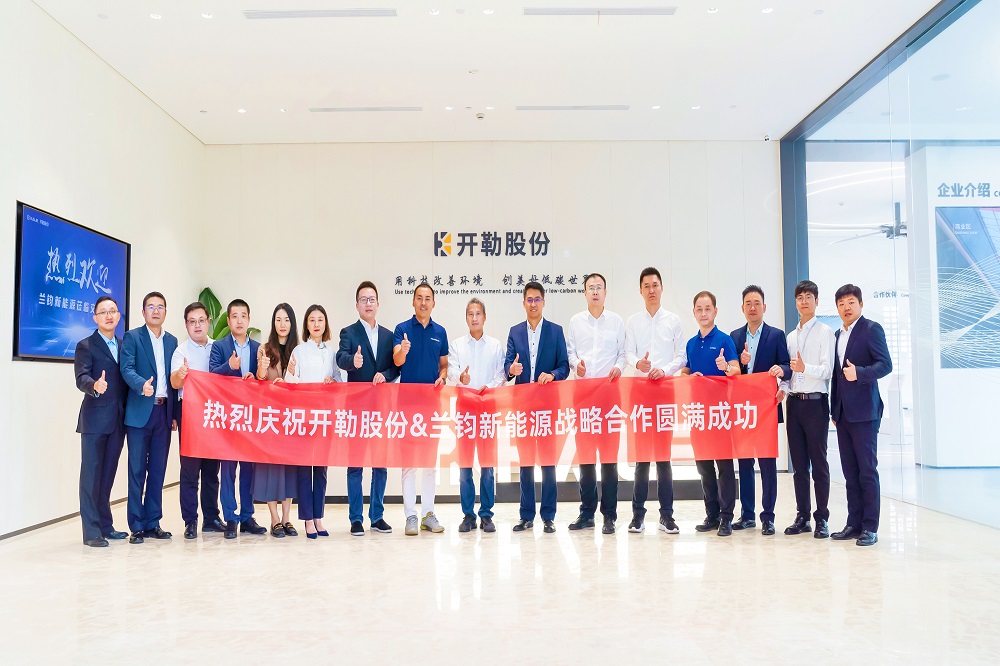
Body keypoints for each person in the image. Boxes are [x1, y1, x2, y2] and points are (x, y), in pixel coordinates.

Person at [504, 281, 570, 534]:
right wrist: (512, 369)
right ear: (524, 303)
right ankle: (526, 515)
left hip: (547, 408)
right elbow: (507, 366)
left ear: (544, 302)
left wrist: (552, 375)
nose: (533, 304)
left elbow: (564, 366)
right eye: (529, 300)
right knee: (526, 464)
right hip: (522, 407)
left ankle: (548, 516)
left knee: (548, 463)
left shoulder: (555, 331)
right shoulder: (515, 332)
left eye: (537, 299)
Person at [624, 267, 686, 535]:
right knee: (641, 458)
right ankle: (637, 515)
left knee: (663, 457)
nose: (651, 290)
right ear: (640, 291)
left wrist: (665, 369)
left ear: (662, 288)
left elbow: (682, 356)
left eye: (655, 285)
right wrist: (638, 362)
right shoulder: (633, 321)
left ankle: (667, 515)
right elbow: (627, 352)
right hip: (639, 393)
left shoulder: (674, 320)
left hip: (664, 391)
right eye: (646, 286)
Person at [829, 284, 892, 547]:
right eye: (841, 303)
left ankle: (870, 527)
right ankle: (853, 524)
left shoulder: (871, 329)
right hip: (843, 414)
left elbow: (885, 364)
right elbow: (836, 375)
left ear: (861, 304)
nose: (846, 307)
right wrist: (834, 409)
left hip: (865, 413)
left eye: (851, 302)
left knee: (867, 471)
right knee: (850, 472)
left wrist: (861, 373)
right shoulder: (837, 334)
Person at [336, 282, 399, 537]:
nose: (368, 303)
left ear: (378, 304)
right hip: (357, 409)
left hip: (381, 408)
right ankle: (355, 519)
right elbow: (340, 358)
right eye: (363, 299)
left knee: (380, 465)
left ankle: (377, 516)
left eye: (372, 299)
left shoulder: (388, 335)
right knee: (355, 465)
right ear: (357, 305)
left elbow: (396, 367)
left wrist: (386, 375)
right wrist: (353, 361)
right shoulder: (348, 333)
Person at [566, 273, 626, 534]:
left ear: (605, 292)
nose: (594, 291)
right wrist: (575, 365)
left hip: (609, 396)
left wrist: (618, 367)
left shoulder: (616, 321)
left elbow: (623, 354)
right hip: (583, 396)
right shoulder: (575, 322)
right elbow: (570, 352)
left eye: (599, 287)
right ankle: (587, 513)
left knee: (609, 459)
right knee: (586, 458)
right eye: (590, 288)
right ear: (584, 293)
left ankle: (609, 515)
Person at [729, 285, 790, 536]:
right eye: (748, 303)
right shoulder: (735, 336)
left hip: (765, 410)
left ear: (764, 307)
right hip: (743, 410)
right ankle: (747, 515)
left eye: (757, 303)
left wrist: (780, 370)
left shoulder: (776, 335)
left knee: (767, 464)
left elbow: (787, 365)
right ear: (742, 308)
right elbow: (731, 370)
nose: (752, 307)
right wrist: (741, 364)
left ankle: (768, 517)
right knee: (744, 464)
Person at [120, 291, 178, 544]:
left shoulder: (172, 341)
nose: (156, 311)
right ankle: (136, 525)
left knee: (157, 470)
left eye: (160, 307)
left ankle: (153, 522)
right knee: (136, 470)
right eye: (151, 307)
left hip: (163, 412)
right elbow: (126, 369)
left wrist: (174, 414)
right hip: (139, 412)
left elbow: (175, 380)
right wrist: (141, 384)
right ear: (143, 312)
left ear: (166, 312)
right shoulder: (132, 337)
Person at [680, 291, 740, 537]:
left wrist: (726, 367)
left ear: (715, 311)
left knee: (724, 466)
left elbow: (736, 369)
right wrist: (688, 377)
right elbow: (685, 371)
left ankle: (726, 517)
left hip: (720, 413)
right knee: (704, 467)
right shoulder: (691, 343)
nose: (703, 313)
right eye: (699, 309)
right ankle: (712, 515)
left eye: (708, 309)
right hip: (698, 413)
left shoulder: (725, 340)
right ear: (694, 313)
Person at [780, 280, 836, 539]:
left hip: (815, 403)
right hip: (794, 403)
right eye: (800, 297)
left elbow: (827, 371)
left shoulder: (825, 332)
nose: (804, 301)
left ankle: (821, 517)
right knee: (799, 466)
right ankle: (802, 516)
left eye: (808, 297)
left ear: (816, 301)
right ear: (795, 303)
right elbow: (789, 371)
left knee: (819, 464)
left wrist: (806, 368)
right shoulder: (791, 337)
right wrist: (782, 385)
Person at [447, 298, 507, 534]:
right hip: (465, 410)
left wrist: (487, 388)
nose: (474, 318)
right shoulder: (457, 345)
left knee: (487, 466)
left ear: (484, 317)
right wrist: (460, 377)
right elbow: (451, 371)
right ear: (466, 318)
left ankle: (486, 514)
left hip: (488, 409)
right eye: (470, 314)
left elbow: (501, 375)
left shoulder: (495, 345)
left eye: (478, 314)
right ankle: (468, 515)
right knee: (464, 467)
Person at [393, 284, 449, 536]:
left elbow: (444, 364)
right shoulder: (402, 329)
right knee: (408, 464)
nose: (423, 302)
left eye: (428, 299)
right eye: (419, 298)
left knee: (429, 463)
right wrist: (402, 351)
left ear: (433, 303)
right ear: (413, 302)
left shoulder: (440, 331)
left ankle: (428, 514)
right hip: (406, 406)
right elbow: (397, 360)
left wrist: (443, 376)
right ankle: (411, 516)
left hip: (431, 406)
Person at [209, 299, 267, 539]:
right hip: (228, 418)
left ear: (249, 320)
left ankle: (247, 517)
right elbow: (212, 376)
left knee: (248, 470)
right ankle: (231, 518)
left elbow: (265, 383)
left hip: (251, 418)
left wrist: (257, 376)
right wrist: (229, 365)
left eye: (243, 316)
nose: (239, 320)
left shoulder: (259, 348)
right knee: (228, 470)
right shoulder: (219, 346)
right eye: (235, 316)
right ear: (229, 320)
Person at [73, 295, 128, 547]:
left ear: (118, 316)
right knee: (91, 477)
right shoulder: (86, 345)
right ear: (95, 317)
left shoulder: (123, 345)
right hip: (94, 420)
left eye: (112, 311)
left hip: (118, 421)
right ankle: (91, 531)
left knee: (107, 476)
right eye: (103, 312)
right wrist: (94, 385)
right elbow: (81, 377)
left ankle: (106, 526)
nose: (108, 315)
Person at [169, 302, 226, 540]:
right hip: (190, 414)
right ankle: (190, 521)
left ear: (208, 322)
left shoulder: (218, 347)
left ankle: (211, 519)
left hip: (213, 413)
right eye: (192, 321)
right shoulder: (181, 351)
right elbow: (174, 383)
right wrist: (180, 375)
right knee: (190, 471)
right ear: (186, 325)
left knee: (212, 471)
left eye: (201, 320)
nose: (197, 325)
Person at [287, 304, 340, 539]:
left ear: (325, 324)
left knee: (321, 470)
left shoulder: (332, 353)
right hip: (304, 417)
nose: (316, 324)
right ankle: (307, 519)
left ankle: (318, 516)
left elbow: (339, 381)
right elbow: (290, 383)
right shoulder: (299, 351)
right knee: (304, 469)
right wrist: (291, 372)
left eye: (320, 320)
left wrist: (333, 381)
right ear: (306, 325)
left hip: (324, 417)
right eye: (312, 320)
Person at [252, 303, 300, 538]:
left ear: (292, 323)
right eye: (278, 319)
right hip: (271, 418)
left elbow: (303, 383)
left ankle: (286, 518)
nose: (282, 324)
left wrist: (290, 381)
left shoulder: (299, 350)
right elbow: (259, 380)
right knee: (270, 468)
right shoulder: (264, 349)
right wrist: (263, 371)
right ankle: (273, 518)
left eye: (287, 320)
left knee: (289, 468)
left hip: (291, 419)